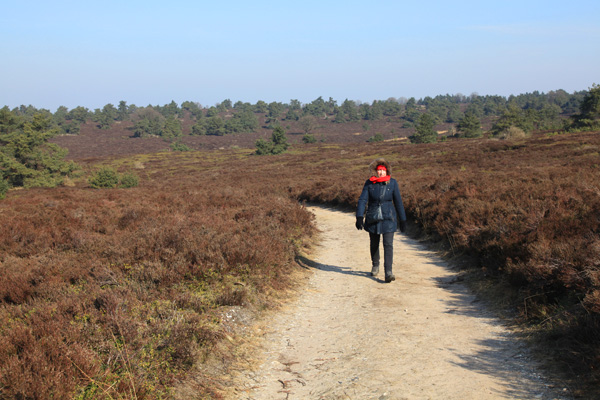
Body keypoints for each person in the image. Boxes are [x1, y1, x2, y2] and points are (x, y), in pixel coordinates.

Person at [355, 158, 407, 282]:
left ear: (387, 171)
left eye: (383, 170)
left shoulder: (393, 183)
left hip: (388, 217)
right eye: (379, 170)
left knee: (388, 244)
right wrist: (359, 216)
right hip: (373, 217)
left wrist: (403, 219)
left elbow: (398, 202)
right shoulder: (369, 183)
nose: (381, 173)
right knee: (374, 243)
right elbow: (362, 200)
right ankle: (375, 264)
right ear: (375, 171)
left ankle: (388, 272)